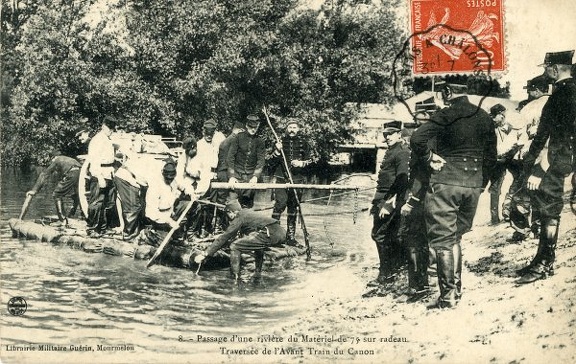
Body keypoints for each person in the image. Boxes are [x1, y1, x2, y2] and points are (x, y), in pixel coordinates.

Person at [410, 83, 497, 308]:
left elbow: (417, 140)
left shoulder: (445, 114)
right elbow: (492, 157)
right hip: (473, 185)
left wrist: (430, 158)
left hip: (446, 183)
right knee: (456, 237)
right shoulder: (485, 116)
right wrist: (480, 183)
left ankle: (448, 296)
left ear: (447, 92)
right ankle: (456, 291)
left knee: (442, 240)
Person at [516, 50, 576, 284]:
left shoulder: (565, 94)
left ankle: (544, 264)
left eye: (546, 68)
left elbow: (559, 137)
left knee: (549, 210)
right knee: (544, 209)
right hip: (552, 159)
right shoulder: (564, 92)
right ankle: (541, 259)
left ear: (554, 68)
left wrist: (541, 167)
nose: (544, 73)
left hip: (552, 161)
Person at [194, 199, 286, 281]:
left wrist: (205, 253)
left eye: (228, 214)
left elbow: (225, 236)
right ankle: (257, 273)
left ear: (232, 212)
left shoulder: (239, 217)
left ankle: (235, 277)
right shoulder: (247, 212)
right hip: (279, 232)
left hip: (269, 233)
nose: (229, 217)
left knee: (235, 246)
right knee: (256, 243)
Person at [506, 75, 551, 242]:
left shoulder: (530, 107)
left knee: (521, 194)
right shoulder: (557, 103)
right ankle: (540, 228)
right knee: (544, 193)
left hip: (532, 155)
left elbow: (516, 130)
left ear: (537, 90)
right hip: (551, 156)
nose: (530, 93)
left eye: (531, 90)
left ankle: (521, 230)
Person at [368, 120, 410, 289]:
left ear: (399, 134)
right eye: (385, 134)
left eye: (391, 134)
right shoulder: (392, 151)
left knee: (380, 235)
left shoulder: (401, 152)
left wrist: (388, 203)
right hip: (383, 197)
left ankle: (386, 274)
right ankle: (393, 269)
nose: (387, 137)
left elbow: (402, 179)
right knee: (389, 234)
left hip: (390, 199)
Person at [398, 113, 434, 302]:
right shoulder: (426, 145)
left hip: (420, 201)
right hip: (422, 200)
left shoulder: (423, 150)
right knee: (420, 243)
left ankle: (417, 287)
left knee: (413, 243)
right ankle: (421, 284)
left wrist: (410, 202)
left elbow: (420, 178)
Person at [269, 119, 315, 246]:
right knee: (280, 204)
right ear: (286, 129)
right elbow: (270, 162)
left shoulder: (304, 143)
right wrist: (277, 151)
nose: (292, 130)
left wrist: (302, 163)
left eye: (294, 127)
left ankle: (290, 238)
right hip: (281, 179)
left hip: (297, 180)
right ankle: (273, 235)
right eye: (290, 127)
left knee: (293, 207)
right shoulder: (279, 142)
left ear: (298, 129)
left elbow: (313, 161)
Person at [142, 158, 193, 246]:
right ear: (163, 175)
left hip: (170, 212)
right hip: (158, 219)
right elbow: (151, 213)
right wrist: (169, 221)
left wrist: (189, 191)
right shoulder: (155, 186)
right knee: (163, 244)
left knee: (192, 205)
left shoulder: (173, 181)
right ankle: (147, 234)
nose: (170, 180)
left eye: (171, 178)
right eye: (168, 178)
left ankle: (179, 235)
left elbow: (183, 186)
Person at [22, 156, 82, 225]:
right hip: (81, 172)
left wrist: (34, 190)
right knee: (78, 194)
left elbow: (44, 175)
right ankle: (78, 214)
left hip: (71, 173)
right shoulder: (70, 160)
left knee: (57, 194)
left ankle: (62, 219)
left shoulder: (57, 160)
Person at [486, 103, 520, 225]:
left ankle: (510, 209)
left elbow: (517, 140)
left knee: (519, 178)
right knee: (495, 187)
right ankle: (494, 218)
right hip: (497, 160)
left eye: (496, 116)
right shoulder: (490, 128)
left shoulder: (510, 126)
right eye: (493, 117)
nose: (494, 119)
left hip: (510, 157)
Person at [86, 116, 118, 237]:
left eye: (113, 129)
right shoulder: (97, 140)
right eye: (110, 128)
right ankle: (92, 228)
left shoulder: (108, 139)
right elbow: (93, 160)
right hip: (99, 173)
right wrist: (99, 177)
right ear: (103, 126)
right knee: (97, 202)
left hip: (109, 173)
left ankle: (104, 228)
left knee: (109, 202)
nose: (111, 131)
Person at [226, 115, 266, 208]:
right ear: (247, 126)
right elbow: (230, 157)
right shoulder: (238, 138)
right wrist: (231, 176)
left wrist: (255, 177)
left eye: (255, 127)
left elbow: (261, 161)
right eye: (251, 127)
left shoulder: (260, 141)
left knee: (247, 206)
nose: (253, 129)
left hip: (250, 178)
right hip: (237, 176)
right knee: (232, 205)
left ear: (258, 126)